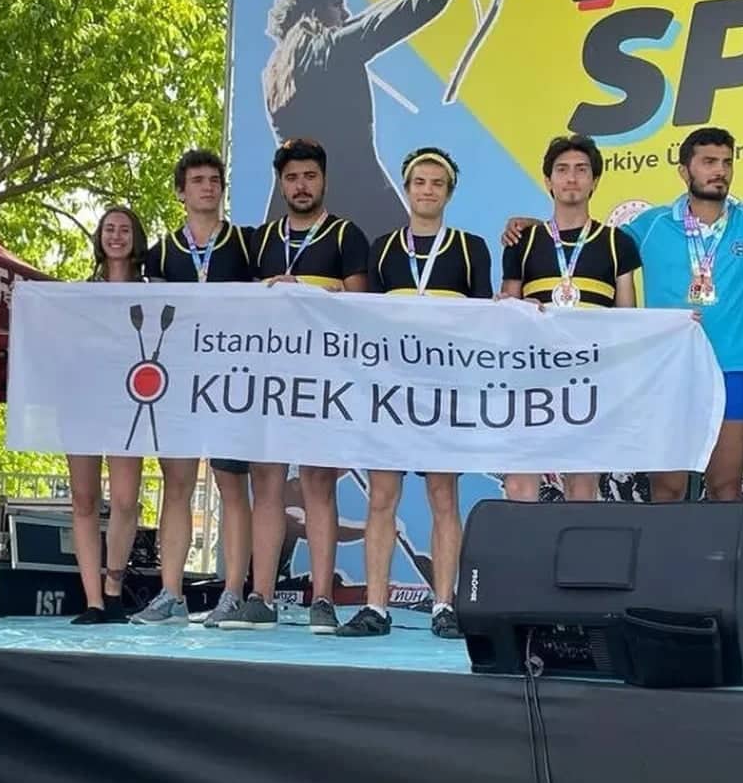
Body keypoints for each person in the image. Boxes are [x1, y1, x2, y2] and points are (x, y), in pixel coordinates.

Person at [504, 126, 743, 504]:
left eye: (727, 163)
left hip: (730, 366)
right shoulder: (649, 226)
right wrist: (534, 227)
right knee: (667, 489)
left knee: (726, 488)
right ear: (684, 170)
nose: (720, 171)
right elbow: (587, 241)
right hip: (668, 369)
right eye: (709, 162)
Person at [262, 0, 502, 244]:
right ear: (312, 11)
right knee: (404, 262)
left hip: (298, 211)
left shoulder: (277, 70)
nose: (345, 12)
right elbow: (398, 16)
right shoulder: (326, 50)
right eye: (336, 3)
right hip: (360, 200)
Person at [337, 147, 492, 639]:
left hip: (445, 392)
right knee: (382, 497)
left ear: (449, 193)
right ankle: (376, 606)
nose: (427, 191)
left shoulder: (470, 248)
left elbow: (485, 322)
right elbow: (366, 319)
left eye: (437, 183)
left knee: (443, 496)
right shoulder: (383, 248)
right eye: (419, 182)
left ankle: (444, 604)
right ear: (406, 190)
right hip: (391, 391)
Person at [220, 138, 369, 634]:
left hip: (323, 378)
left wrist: (302, 290)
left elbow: (361, 306)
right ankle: (260, 596)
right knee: (265, 484)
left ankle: (322, 600)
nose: (301, 186)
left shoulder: (346, 234)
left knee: (317, 484)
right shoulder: (260, 240)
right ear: (280, 184)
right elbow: (238, 304)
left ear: (323, 180)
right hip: (269, 378)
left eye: (309, 176)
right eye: (291, 178)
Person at [131, 149, 255, 628]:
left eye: (215, 180)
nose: (208, 187)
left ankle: (233, 593)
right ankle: (171, 594)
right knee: (177, 484)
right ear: (181, 192)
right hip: (179, 383)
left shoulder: (245, 244)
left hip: (229, 383)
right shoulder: (162, 252)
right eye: (198, 180)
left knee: (231, 486)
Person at [499, 134, 640, 503]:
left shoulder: (618, 243)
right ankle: (525, 546)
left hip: (591, 378)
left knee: (582, 484)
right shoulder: (523, 241)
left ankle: (578, 545)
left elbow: (628, 320)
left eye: (581, 170)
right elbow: (507, 313)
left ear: (595, 181)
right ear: (548, 181)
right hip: (533, 375)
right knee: (520, 484)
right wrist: (513, 309)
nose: (572, 178)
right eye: (562, 170)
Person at [67, 207, 148, 624]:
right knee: (84, 499)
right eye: (109, 229)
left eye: (124, 230)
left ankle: (114, 589)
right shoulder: (79, 295)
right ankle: (93, 600)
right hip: (82, 404)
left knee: (125, 500)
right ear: (100, 238)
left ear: (136, 238)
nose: (116, 236)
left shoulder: (153, 292)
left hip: (129, 407)